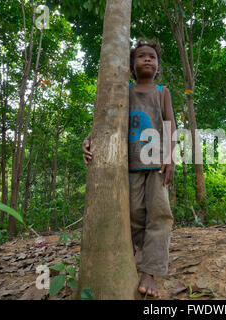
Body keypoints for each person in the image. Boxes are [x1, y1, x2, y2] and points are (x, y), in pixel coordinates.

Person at [82, 39, 176, 298]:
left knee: (159, 215)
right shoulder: (125, 92)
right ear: (131, 66)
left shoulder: (162, 92)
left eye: (152, 57)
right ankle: (140, 252)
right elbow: (107, 121)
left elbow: (170, 125)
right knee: (134, 214)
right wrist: (91, 139)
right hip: (130, 166)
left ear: (157, 66)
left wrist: (170, 157)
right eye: (141, 56)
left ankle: (150, 271)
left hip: (157, 165)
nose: (147, 60)